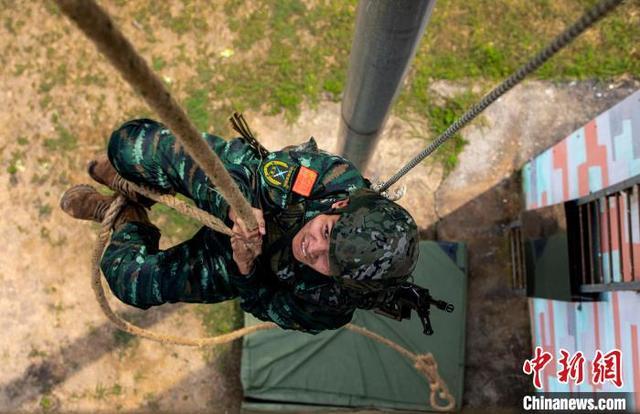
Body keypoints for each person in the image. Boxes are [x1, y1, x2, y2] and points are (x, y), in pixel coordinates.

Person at [61, 118, 419, 334]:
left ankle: (128, 217)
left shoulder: (330, 305)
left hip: (242, 264)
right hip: (242, 195)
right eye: (326, 232)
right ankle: (138, 186)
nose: (312, 248)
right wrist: (234, 208)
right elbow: (242, 174)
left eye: (330, 263)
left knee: (130, 283)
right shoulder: (330, 178)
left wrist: (245, 269)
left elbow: (264, 304)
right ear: (339, 205)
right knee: (128, 146)